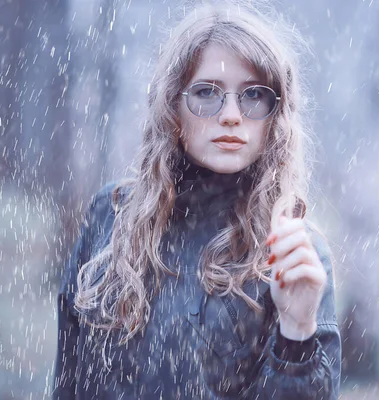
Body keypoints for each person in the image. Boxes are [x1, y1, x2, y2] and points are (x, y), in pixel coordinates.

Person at [52, 1, 341, 398]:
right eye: (207, 92)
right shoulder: (111, 216)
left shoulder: (295, 253)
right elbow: (69, 380)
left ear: (276, 117)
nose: (231, 115)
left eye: (254, 96)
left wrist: (298, 333)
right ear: (172, 107)